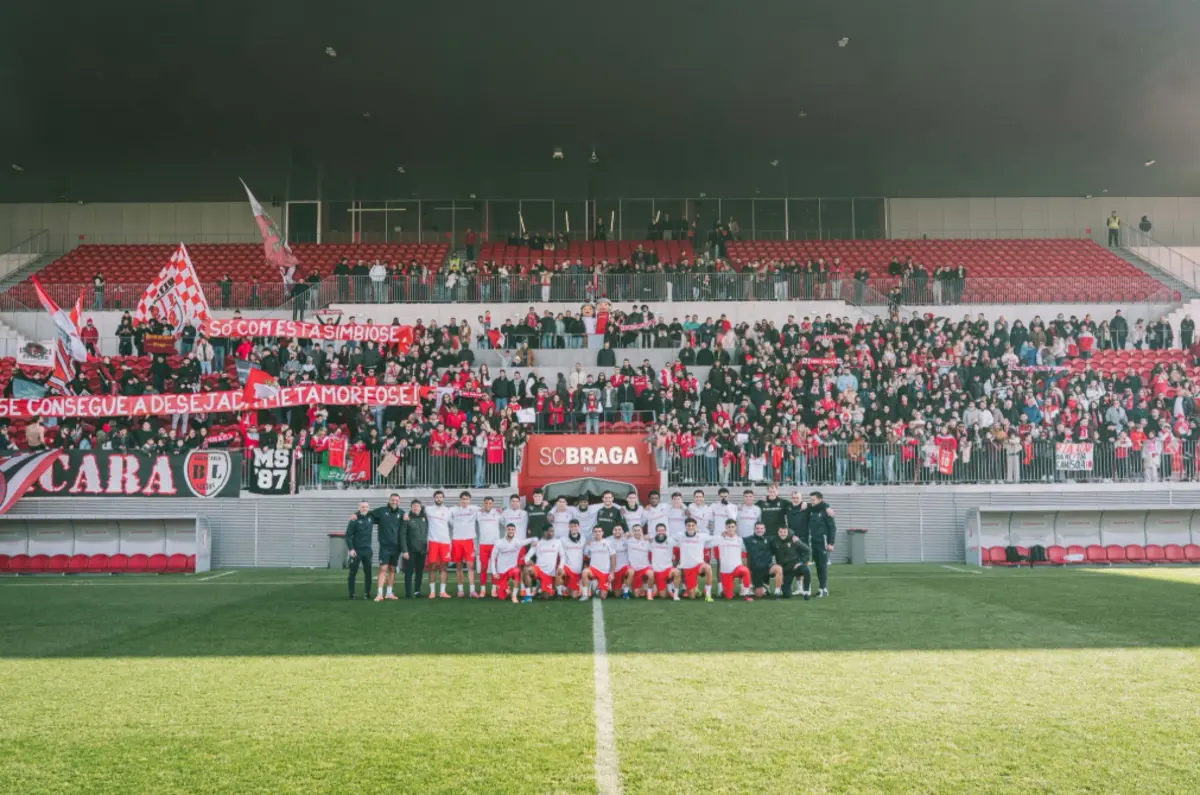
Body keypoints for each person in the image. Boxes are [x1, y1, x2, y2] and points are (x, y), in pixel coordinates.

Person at [367, 494, 404, 601]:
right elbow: (367, 514)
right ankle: (379, 594)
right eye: (392, 500)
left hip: (396, 547)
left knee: (392, 569)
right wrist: (356, 515)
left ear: (399, 501)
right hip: (385, 546)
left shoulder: (401, 513)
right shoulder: (381, 511)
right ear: (389, 500)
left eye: (396, 500)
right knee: (383, 568)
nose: (394, 502)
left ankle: (389, 593)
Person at [489, 523, 536, 602]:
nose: (510, 531)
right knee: (501, 597)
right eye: (509, 529)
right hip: (501, 571)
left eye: (512, 530)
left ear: (515, 531)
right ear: (506, 530)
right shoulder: (499, 543)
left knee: (517, 571)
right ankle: (507, 589)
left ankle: (514, 596)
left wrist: (534, 541)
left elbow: (531, 539)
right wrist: (494, 573)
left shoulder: (517, 542)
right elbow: (493, 559)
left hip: (512, 568)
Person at [674, 518, 716, 601]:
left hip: (699, 565)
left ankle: (708, 595)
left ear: (695, 526)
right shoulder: (680, 535)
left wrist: (723, 535)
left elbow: (713, 538)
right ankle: (695, 588)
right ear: (685, 526)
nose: (691, 527)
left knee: (708, 568)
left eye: (693, 525)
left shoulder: (701, 536)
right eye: (688, 525)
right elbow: (669, 539)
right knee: (692, 596)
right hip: (688, 567)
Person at [805, 491, 837, 597]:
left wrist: (831, 543)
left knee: (823, 566)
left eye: (813, 499)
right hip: (813, 542)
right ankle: (820, 588)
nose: (811, 501)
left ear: (819, 500)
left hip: (822, 543)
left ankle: (824, 589)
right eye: (811, 499)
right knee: (818, 566)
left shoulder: (826, 512)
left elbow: (832, 528)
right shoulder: (811, 509)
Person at [768, 522, 812, 600]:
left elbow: (807, 550)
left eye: (784, 532)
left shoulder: (794, 539)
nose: (782, 534)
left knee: (806, 570)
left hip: (795, 566)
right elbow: (769, 553)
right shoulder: (774, 542)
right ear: (778, 532)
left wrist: (801, 562)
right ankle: (785, 588)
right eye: (780, 532)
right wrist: (771, 564)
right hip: (785, 570)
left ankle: (806, 592)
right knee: (787, 595)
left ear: (787, 532)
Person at [449, 490, 481, 598]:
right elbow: (446, 517)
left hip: (469, 540)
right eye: (463, 499)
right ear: (460, 500)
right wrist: (456, 525)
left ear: (470, 500)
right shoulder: (453, 509)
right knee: (458, 566)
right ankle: (460, 590)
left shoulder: (474, 508)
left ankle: (472, 590)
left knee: (470, 566)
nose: (465, 501)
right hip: (456, 540)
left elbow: (486, 509)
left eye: (467, 499)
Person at [714, 521, 754, 601]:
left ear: (735, 528)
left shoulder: (739, 540)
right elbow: (710, 543)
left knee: (745, 571)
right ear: (725, 528)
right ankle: (725, 591)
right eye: (728, 527)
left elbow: (745, 551)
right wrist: (720, 536)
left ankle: (746, 594)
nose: (730, 529)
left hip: (737, 568)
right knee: (728, 596)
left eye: (732, 527)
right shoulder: (719, 539)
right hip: (725, 571)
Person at [424, 490, 453, 598]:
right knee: (432, 567)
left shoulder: (448, 511)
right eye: (437, 497)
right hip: (433, 542)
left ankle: (442, 592)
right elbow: (416, 512)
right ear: (434, 498)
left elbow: (454, 523)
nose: (439, 499)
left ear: (443, 498)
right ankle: (432, 592)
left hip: (445, 542)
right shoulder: (428, 509)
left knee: (444, 567)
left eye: (440, 497)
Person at [524, 526, 565, 600]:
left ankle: (540, 590)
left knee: (545, 597)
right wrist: (528, 561)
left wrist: (561, 567)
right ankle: (528, 596)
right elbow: (527, 556)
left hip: (549, 574)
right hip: (538, 569)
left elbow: (563, 556)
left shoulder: (557, 542)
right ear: (545, 532)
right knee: (527, 569)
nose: (552, 533)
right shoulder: (538, 543)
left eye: (553, 531)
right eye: (550, 531)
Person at [345, 501, 375, 600]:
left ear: (368, 508)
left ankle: (367, 593)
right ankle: (351, 594)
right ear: (359, 508)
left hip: (367, 550)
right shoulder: (354, 519)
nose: (364, 509)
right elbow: (348, 535)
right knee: (353, 572)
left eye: (366, 507)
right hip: (356, 550)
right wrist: (351, 549)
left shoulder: (371, 518)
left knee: (368, 572)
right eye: (362, 507)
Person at [399, 499, 428, 598]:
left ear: (420, 507)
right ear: (411, 508)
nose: (416, 508)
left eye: (418, 506)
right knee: (409, 572)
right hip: (410, 551)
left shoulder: (425, 518)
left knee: (419, 572)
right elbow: (402, 536)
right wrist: (405, 550)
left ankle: (417, 592)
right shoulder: (406, 518)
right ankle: (408, 593)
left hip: (422, 551)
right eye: (414, 506)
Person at [476, 496, 503, 597]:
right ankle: (482, 589)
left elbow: (505, 521)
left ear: (492, 504)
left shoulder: (497, 514)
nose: (487, 505)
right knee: (483, 568)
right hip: (483, 545)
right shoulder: (478, 513)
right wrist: (478, 508)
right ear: (483, 503)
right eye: (486, 503)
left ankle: (493, 589)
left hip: (495, 545)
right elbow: (469, 510)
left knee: (494, 568)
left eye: (490, 503)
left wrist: (501, 512)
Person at [579, 527, 615, 600]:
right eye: (595, 531)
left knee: (602, 596)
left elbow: (613, 559)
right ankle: (585, 595)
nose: (597, 533)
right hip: (593, 569)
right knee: (585, 572)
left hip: (605, 572)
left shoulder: (608, 543)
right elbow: (586, 554)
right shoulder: (591, 544)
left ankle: (597, 587)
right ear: (593, 533)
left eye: (599, 531)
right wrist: (587, 545)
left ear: (602, 533)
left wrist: (612, 573)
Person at [742, 520, 775, 598]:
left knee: (778, 568)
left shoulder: (770, 540)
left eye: (761, 528)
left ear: (765, 529)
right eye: (757, 528)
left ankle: (778, 590)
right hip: (756, 570)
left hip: (768, 568)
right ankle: (763, 587)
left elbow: (782, 539)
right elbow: (736, 539)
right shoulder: (748, 540)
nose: (759, 530)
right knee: (758, 595)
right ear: (754, 529)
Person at [648, 524, 678, 601]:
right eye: (659, 530)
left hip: (668, 569)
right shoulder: (651, 541)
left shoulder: (670, 540)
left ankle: (674, 592)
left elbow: (682, 543)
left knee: (677, 572)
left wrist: (673, 555)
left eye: (662, 530)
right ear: (656, 531)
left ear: (665, 531)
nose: (661, 532)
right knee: (662, 596)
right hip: (657, 570)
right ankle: (657, 587)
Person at [560, 520, 587, 596]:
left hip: (577, 571)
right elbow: (561, 555)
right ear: (569, 527)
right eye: (571, 526)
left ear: (578, 527)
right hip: (567, 568)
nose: (573, 528)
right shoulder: (563, 539)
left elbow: (586, 552)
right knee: (559, 572)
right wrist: (561, 566)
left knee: (574, 596)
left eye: (575, 526)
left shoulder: (583, 539)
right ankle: (559, 591)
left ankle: (566, 587)